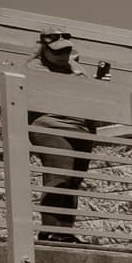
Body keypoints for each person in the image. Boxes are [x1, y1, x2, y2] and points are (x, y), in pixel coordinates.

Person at [27, 31, 98, 244]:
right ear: (44, 49)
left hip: (80, 129)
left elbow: (91, 97)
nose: (63, 55)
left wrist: (100, 84)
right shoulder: (34, 68)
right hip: (52, 126)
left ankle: (65, 232)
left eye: (66, 50)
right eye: (57, 51)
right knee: (60, 175)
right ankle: (49, 231)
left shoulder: (77, 69)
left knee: (73, 182)